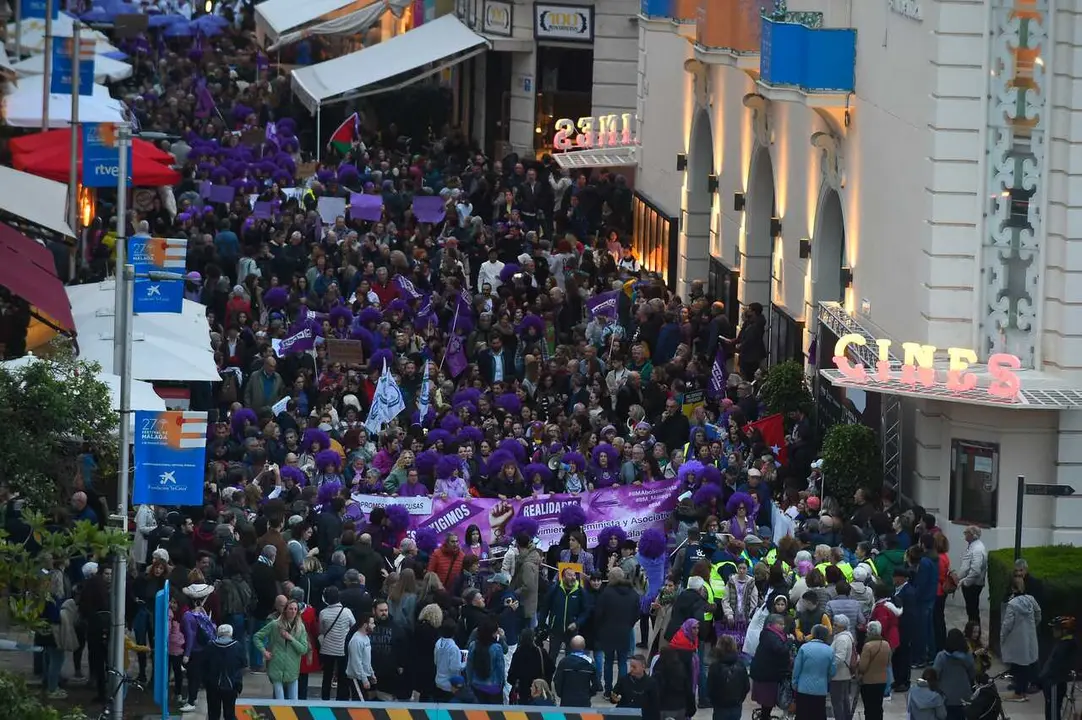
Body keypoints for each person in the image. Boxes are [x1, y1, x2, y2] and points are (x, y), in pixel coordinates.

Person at [595, 566, 642, 699]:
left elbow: (599, 613)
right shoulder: (633, 593)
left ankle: (608, 691)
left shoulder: (607, 593)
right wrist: (628, 625)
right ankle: (621, 691)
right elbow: (637, 614)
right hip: (625, 632)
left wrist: (601, 627)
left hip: (608, 632)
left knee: (608, 662)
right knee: (622, 662)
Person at [253, 598, 310, 700]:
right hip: (276, 666)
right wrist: (264, 651)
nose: (293, 611)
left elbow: (303, 649)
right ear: (285, 610)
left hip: (292, 668)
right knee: (279, 700)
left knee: (294, 701)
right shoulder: (275, 624)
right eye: (290, 609)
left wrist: (290, 638)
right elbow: (257, 637)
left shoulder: (300, 628)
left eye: (295, 609)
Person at [1000, 573, 1041, 701]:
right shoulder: (1031, 600)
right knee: (1027, 664)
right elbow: (1038, 614)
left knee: (1018, 666)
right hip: (1030, 638)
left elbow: (1007, 625)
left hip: (1017, 640)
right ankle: (1022, 690)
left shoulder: (1012, 604)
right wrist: (1033, 626)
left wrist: (1002, 637)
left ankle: (1018, 693)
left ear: (1012, 589)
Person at [316, 585, 356, 700]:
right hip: (342, 649)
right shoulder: (347, 612)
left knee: (327, 676)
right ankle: (341, 699)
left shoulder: (323, 613)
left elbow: (322, 630)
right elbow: (353, 626)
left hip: (327, 648)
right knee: (343, 676)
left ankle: (325, 698)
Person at [543, 567, 590, 663]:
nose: (573, 577)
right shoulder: (555, 589)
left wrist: (577, 623)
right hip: (555, 629)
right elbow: (545, 608)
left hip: (572, 631)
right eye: (569, 575)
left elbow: (586, 611)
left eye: (574, 575)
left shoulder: (580, 592)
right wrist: (542, 625)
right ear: (563, 578)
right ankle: (549, 676)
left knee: (570, 658)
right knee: (552, 656)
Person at [750, 613, 791, 720]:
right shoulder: (770, 635)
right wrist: (789, 642)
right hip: (767, 674)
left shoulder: (775, 634)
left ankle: (765, 715)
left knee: (768, 700)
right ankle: (765, 717)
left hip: (769, 673)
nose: (783, 626)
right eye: (780, 624)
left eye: (783, 624)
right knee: (767, 699)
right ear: (772, 624)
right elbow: (780, 649)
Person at [792, 624, 836, 720]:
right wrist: (825, 680)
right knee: (818, 714)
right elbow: (832, 671)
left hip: (803, 687)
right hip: (821, 688)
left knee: (802, 714)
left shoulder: (804, 648)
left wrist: (795, 683)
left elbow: (797, 668)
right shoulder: (830, 650)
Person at [204, 624, 245, 720]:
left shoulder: (210, 645)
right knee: (230, 713)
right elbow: (243, 664)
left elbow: (204, 665)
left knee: (213, 713)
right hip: (232, 685)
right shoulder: (237, 646)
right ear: (231, 633)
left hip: (212, 685)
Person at [933, 628, 976, 720]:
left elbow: (935, 675)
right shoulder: (968, 656)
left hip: (946, 698)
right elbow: (973, 674)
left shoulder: (941, 656)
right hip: (964, 697)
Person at [507, 627, 555, 705]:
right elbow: (551, 668)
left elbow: (511, 677)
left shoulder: (518, 653)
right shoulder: (541, 652)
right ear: (533, 638)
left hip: (522, 693)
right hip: (539, 691)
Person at [706, 636, 750, 720]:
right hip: (736, 705)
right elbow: (746, 686)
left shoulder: (715, 667)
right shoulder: (741, 665)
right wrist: (739, 700)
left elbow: (710, 688)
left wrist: (714, 702)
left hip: (720, 707)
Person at [466, 616, 506, 703]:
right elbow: (500, 669)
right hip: (494, 687)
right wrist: (502, 684)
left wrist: (470, 682)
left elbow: (469, 666)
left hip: (476, 685)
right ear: (492, 633)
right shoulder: (497, 648)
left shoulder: (473, 645)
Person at [856, 620, 892, 720]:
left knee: (869, 707)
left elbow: (863, 667)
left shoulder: (868, 646)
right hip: (882, 680)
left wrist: (858, 662)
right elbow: (888, 662)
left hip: (869, 681)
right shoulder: (886, 644)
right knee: (878, 706)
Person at [553, 634, 600, 707]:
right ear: (584, 646)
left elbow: (557, 680)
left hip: (567, 700)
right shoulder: (590, 663)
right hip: (584, 700)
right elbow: (596, 684)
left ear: (571, 646)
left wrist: (561, 694)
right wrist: (589, 694)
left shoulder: (564, 662)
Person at [653, 645, 696, 720]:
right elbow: (688, 690)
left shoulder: (659, 669)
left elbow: (655, 690)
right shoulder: (681, 669)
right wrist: (691, 708)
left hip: (663, 707)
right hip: (680, 707)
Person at [829, 614, 856, 720]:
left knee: (837, 703)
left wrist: (829, 668)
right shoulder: (847, 636)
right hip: (844, 675)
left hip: (839, 675)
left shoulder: (842, 639)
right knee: (844, 701)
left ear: (842, 626)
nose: (833, 626)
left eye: (836, 624)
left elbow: (839, 657)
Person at [958, 526, 987, 624]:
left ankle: (974, 632)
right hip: (972, 584)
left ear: (972, 535)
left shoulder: (977, 549)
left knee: (972, 610)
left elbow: (975, 570)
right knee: (971, 610)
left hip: (973, 585)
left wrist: (965, 582)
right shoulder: (974, 546)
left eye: (966, 532)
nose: (964, 534)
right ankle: (972, 630)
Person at [345, 614, 376, 700]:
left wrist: (371, 673)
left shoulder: (366, 638)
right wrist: (364, 679)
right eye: (372, 623)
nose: (374, 625)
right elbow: (356, 662)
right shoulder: (356, 640)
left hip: (363, 676)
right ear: (365, 625)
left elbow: (366, 660)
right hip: (356, 678)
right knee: (359, 704)